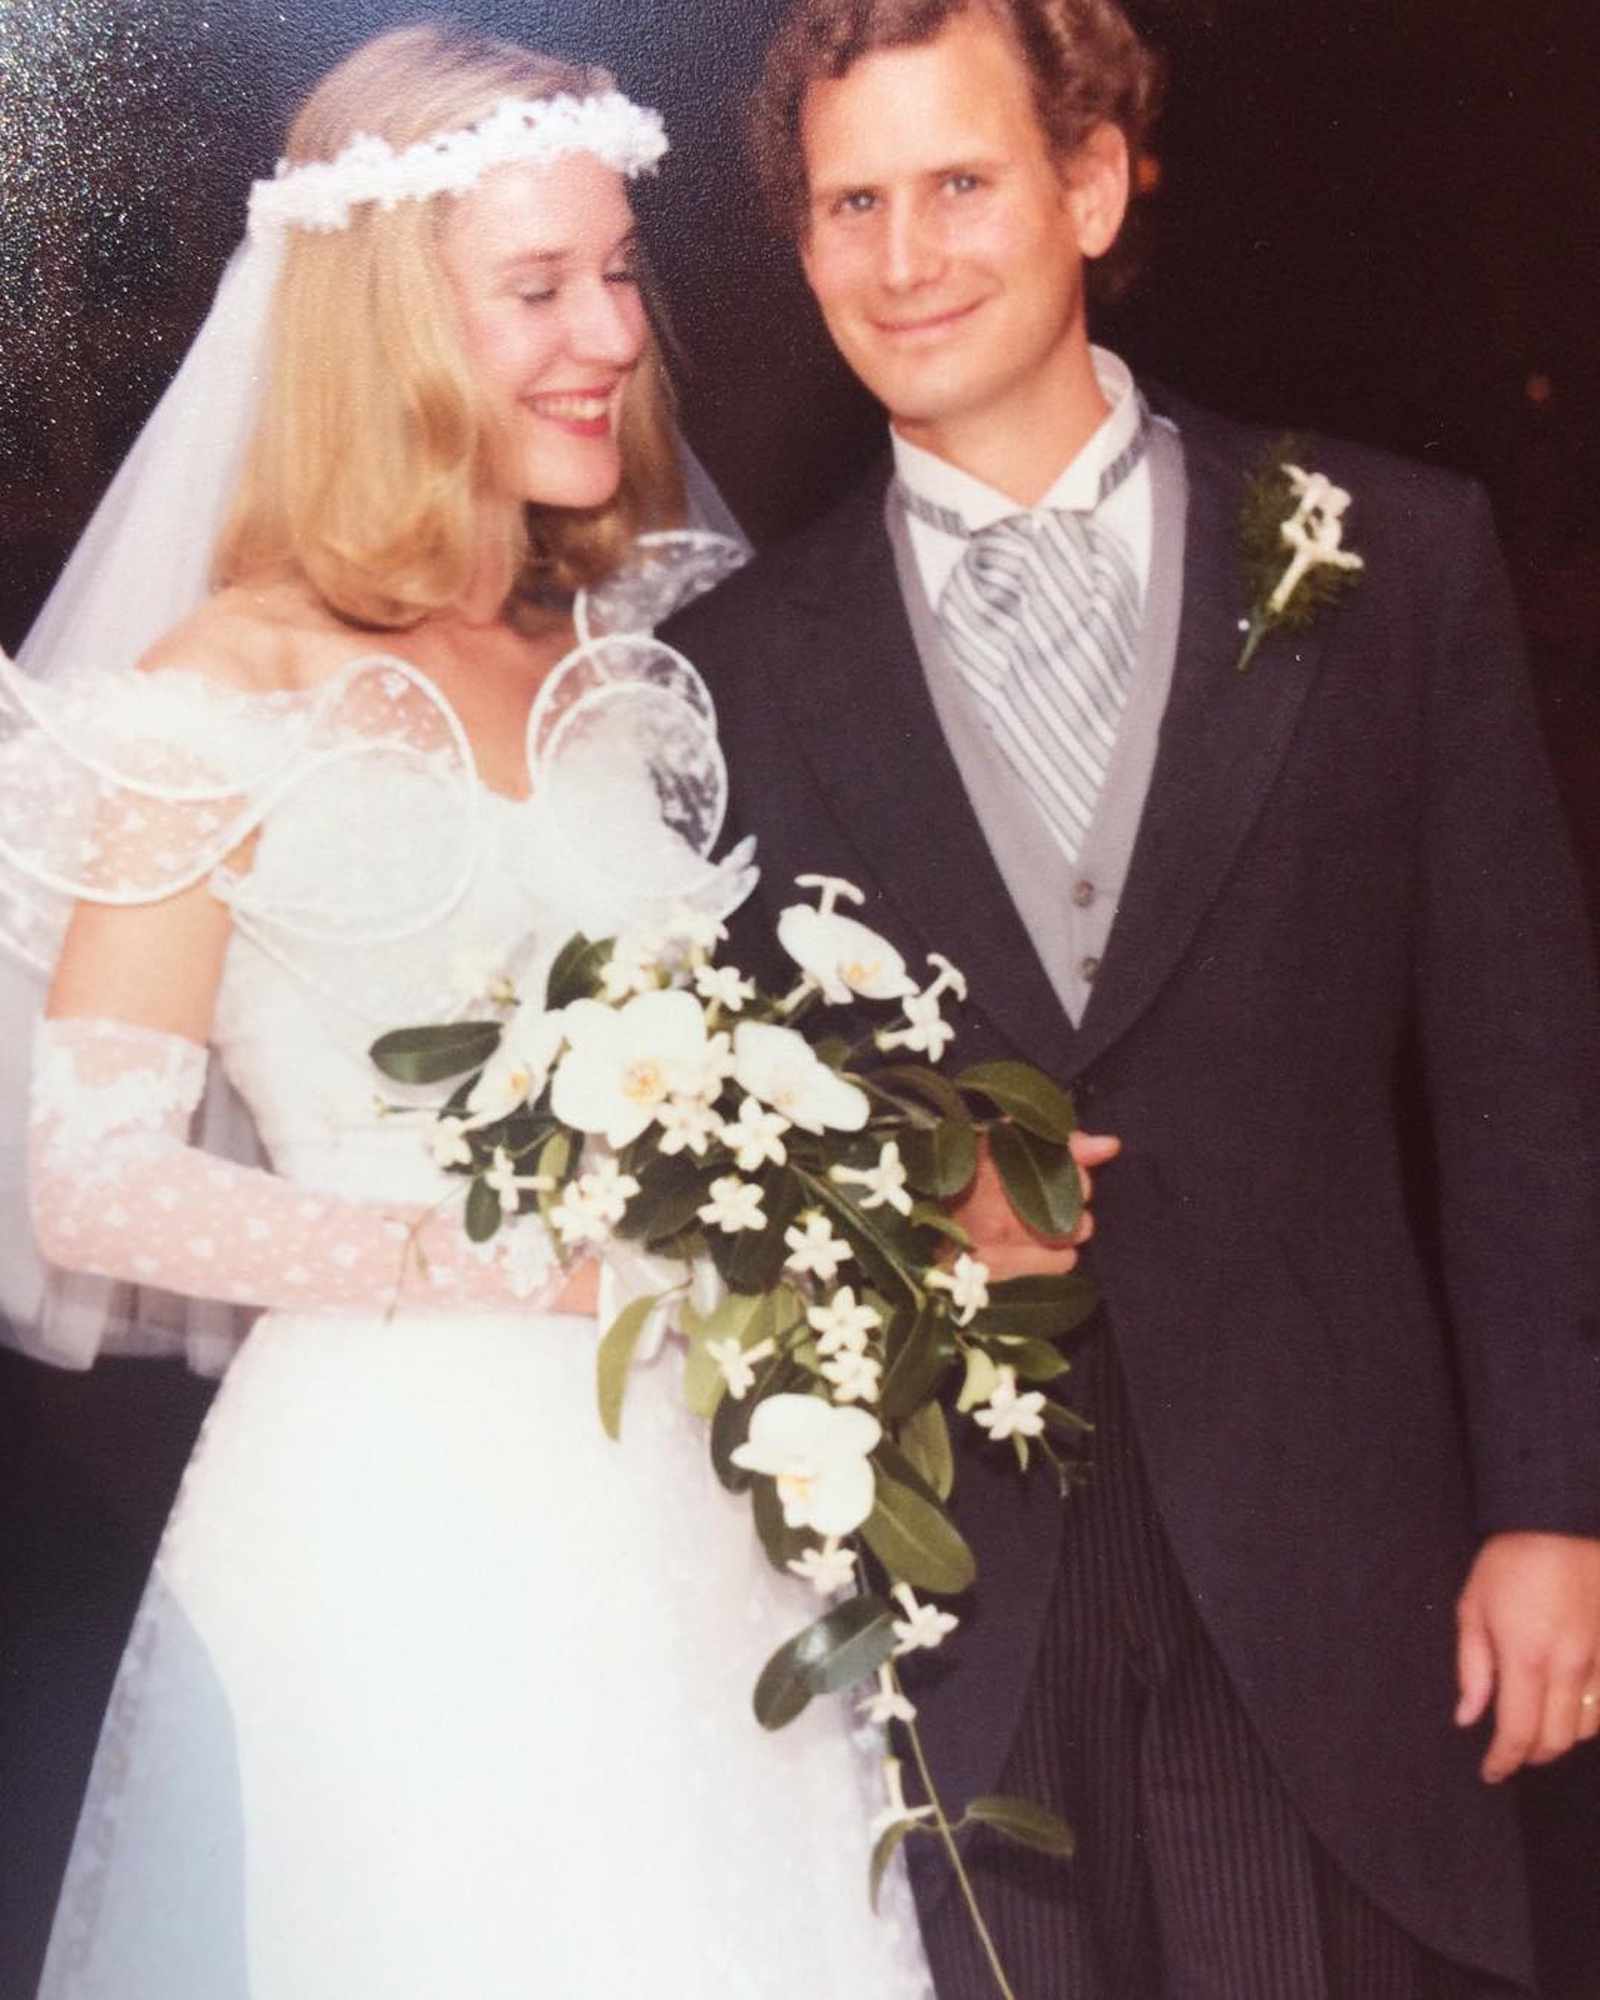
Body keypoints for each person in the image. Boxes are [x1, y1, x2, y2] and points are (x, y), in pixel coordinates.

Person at [1, 23, 981, 1997]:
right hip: (391, 1521)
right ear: (380, 333)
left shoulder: (627, 662)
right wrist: (464, 1250)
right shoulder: (218, 692)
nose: (607, 336)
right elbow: (88, 1178)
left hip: (698, 1520)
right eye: (534, 289)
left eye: (616, 271)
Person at [662, 0, 1600, 1994]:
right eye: (849, 203)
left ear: (1086, 184)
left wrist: (1555, 1506)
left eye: (959, 184)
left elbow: (1529, 1078)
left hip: (1348, 1581)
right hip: (963, 1613)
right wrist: (897, 1231)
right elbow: (706, 1147)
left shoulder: (1389, 556)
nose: (901, 257)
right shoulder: (725, 668)